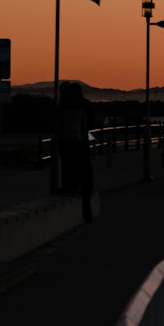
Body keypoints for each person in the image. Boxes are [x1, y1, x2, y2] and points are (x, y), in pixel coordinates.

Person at [55, 82, 94, 222]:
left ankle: (69, 186)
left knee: (68, 164)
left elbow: (57, 125)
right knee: (83, 170)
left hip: (66, 141)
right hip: (81, 141)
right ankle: (86, 209)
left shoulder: (63, 107)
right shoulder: (83, 106)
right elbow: (87, 124)